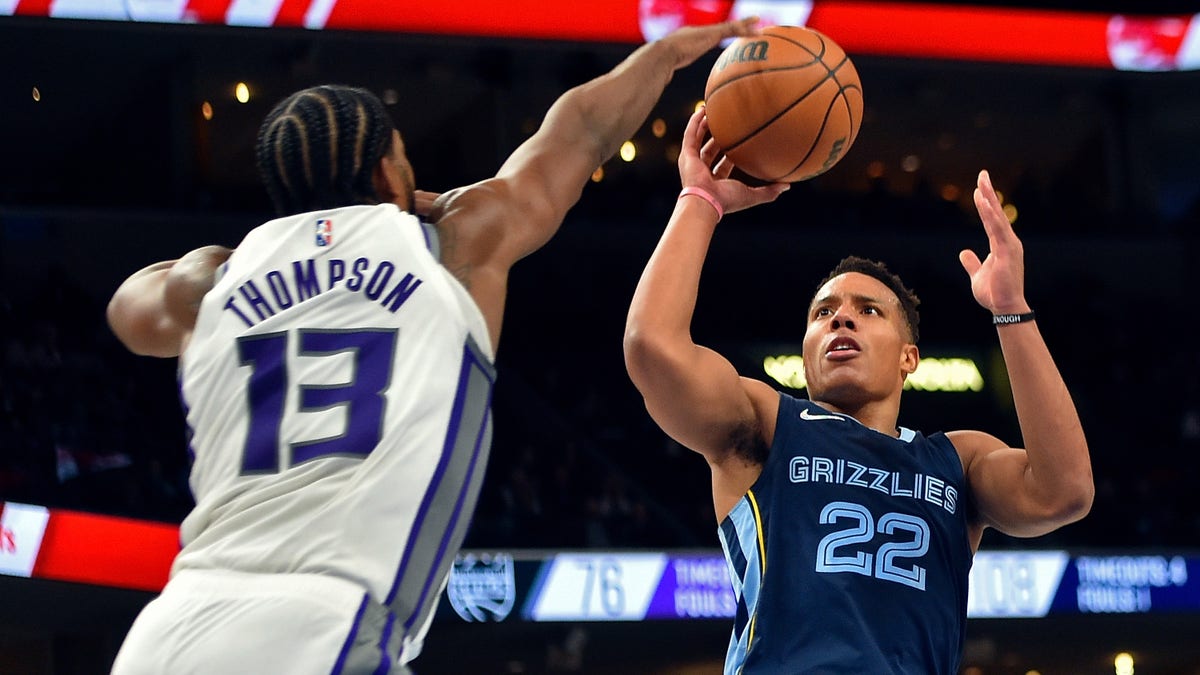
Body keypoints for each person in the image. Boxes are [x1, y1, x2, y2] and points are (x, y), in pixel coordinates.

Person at [105, 18, 759, 675]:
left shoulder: (211, 281)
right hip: (320, 627)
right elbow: (582, 130)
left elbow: (127, 311)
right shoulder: (453, 245)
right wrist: (669, 53)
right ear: (392, 171)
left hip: (170, 625)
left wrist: (241, 262)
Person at [623, 108, 1093, 673]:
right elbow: (652, 348)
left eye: (867, 311)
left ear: (908, 358)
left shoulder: (956, 459)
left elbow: (1064, 492)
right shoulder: (768, 425)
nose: (841, 321)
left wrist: (1011, 311)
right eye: (824, 313)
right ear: (805, 351)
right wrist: (700, 200)